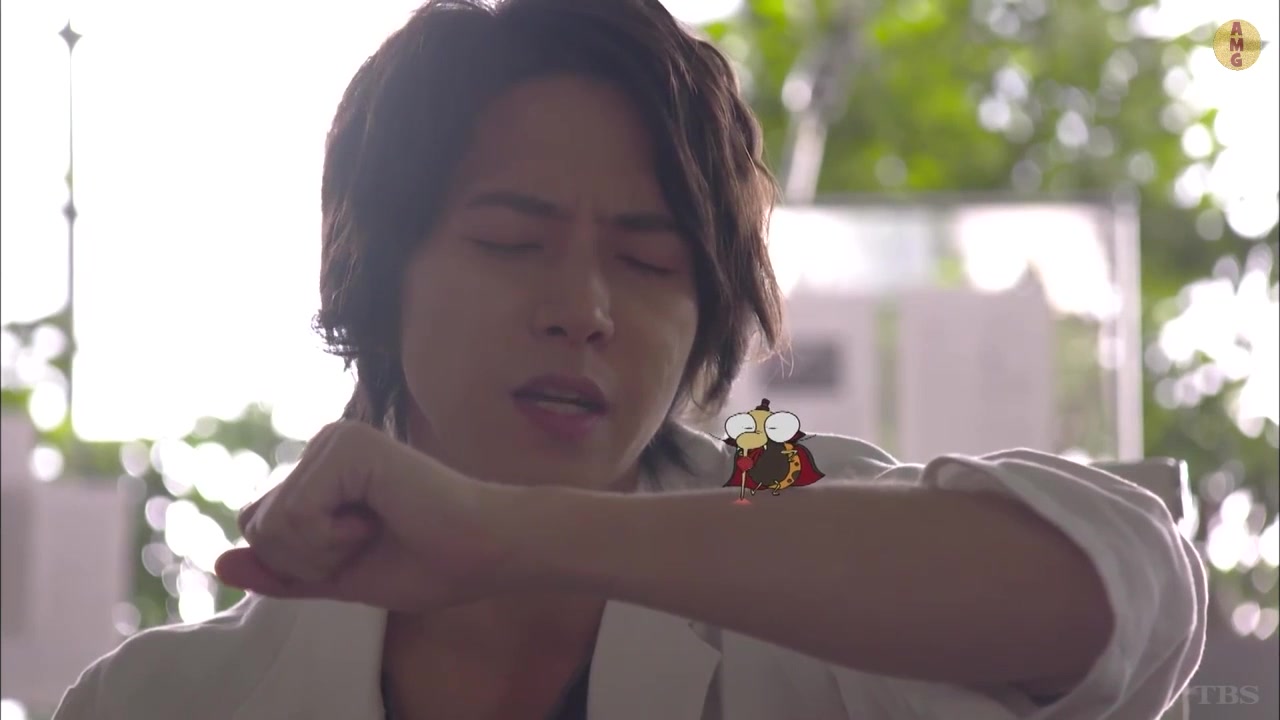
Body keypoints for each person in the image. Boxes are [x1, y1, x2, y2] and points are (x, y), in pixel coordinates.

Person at [52, 0, 1206, 718]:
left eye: (649, 262)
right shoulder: (158, 702)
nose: (583, 310)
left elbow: (1126, 594)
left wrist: (506, 533)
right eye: (510, 242)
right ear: (378, 274)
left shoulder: (795, 518)